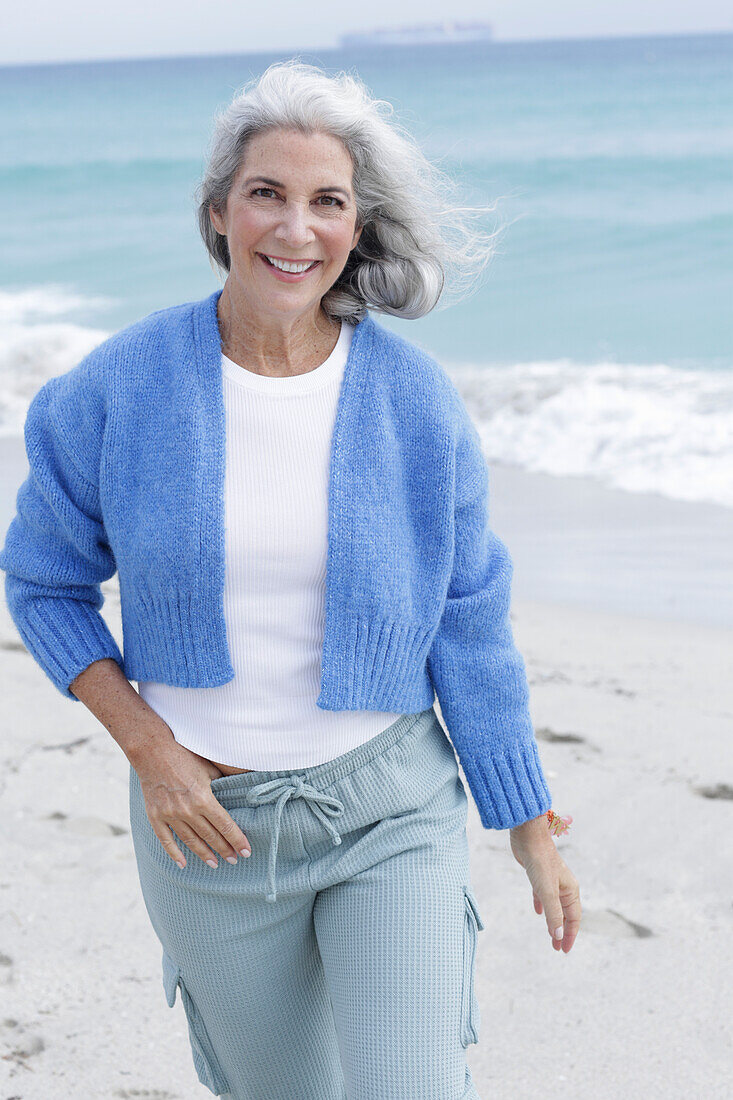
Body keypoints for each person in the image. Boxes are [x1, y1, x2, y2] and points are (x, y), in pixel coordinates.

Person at [0, 59, 581, 1100]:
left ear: (357, 229)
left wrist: (525, 818)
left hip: (386, 807)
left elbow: (469, 618)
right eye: (267, 193)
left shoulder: (414, 402)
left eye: (328, 202)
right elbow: (42, 582)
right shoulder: (116, 391)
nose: (295, 228)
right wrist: (149, 748)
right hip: (206, 828)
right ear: (219, 211)